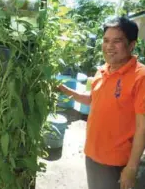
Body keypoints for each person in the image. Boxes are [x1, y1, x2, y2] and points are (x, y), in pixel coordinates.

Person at [58, 17, 145, 189]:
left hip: (116, 162)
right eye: (106, 41)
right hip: (92, 154)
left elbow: (143, 126)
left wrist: (131, 168)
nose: (109, 46)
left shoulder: (140, 77)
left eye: (117, 41)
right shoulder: (102, 70)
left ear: (132, 45)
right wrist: (65, 90)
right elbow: (92, 99)